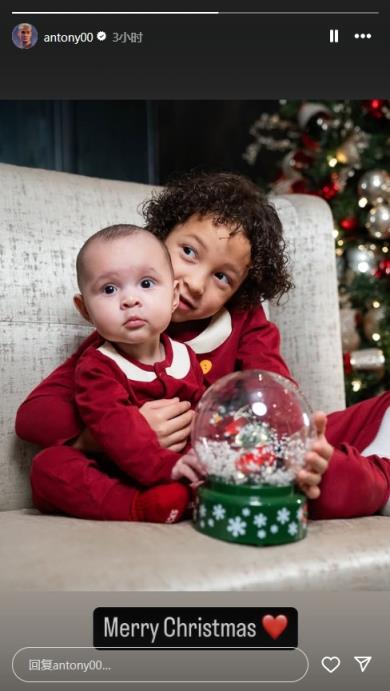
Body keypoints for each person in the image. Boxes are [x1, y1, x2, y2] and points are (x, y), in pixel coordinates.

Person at [16, 172, 389, 520]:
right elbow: (34, 417)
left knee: (339, 423)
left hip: (229, 449)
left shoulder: (243, 322)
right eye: (189, 253)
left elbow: (278, 394)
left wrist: (269, 432)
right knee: (50, 467)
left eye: (222, 277)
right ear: (160, 238)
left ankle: (344, 469)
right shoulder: (118, 335)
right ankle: (146, 506)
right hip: (145, 474)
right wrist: (107, 435)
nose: (195, 283)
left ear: (240, 291)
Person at [29, 224, 206, 523]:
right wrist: (166, 466)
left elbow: (202, 412)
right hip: (115, 472)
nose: (130, 300)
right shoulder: (97, 366)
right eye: (109, 289)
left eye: (147, 283)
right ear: (85, 310)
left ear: (174, 295)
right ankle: (137, 505)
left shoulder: (185, 356)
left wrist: (201, 460)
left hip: (176, 466)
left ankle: (191, 492)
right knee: (48, 466)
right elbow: (113, 423)